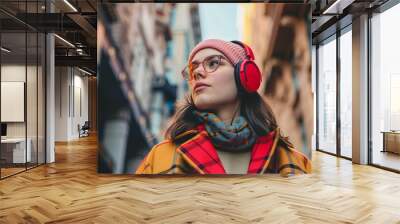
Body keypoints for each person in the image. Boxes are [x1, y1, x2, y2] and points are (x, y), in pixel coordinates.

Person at [135, 39, 311, 176]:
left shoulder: (294, 160)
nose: (197, 72)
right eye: (193, 68)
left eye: (213, 63)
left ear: (245, 77)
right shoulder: (160, 156)